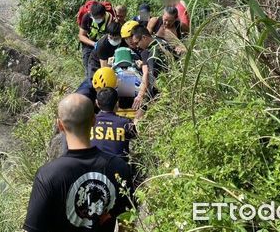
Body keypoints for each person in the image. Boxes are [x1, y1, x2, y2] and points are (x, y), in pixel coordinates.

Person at [24, 94, 133, 232]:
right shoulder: (119, 167)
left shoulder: (48, 175)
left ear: (60, 125)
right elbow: (128, 222)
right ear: (94, 120)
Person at [130, 25, 178, 110]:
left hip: (166, 94)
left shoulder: (152, 56)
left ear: (144, 37)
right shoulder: (162, 42)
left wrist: (145, 101)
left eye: (137, 43)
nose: (137, 46)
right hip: (176, 84)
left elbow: (152, 81)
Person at [91, 88, 136, 159]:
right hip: (118, 167)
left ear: (97, 103)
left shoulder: (88, 122)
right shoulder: (126, 123)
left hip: (93, 166)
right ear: (117, 103)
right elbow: (136, 138)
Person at [78, 3, 112, 71]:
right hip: (89, 44)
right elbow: (81, 36)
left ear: (104, 15)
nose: (95, 19)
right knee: (89, 68)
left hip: (103, 46)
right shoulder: (87, 17)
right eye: (94, 17)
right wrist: (94, 44)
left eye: (98, 18)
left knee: (103, 68)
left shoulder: (110, 19)